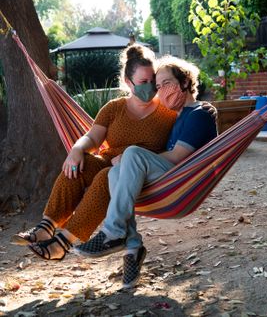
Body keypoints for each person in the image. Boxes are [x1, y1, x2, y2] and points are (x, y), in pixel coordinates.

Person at [12, 44, 177, 260]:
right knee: (79, 166)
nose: (149, 87)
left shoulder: (167, 112)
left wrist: (129, 159)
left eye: (151, 81)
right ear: (128, 82)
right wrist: (77, 149)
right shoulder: (113, 108)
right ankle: (46, 226)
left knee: (104, 177)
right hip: (109, 161)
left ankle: (63, 243)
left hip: (139, 171)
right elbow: (92, 138)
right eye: (142, 82)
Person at [74, 56, 217, 288]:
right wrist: (128, 162)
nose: (161, 91)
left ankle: (113, 232)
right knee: (113, 174)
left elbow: (178, 156)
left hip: (182, 178)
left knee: (131, 154)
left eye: (167, 83)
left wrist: (132, 158)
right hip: (168, 177)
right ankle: (132, 248)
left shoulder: (199, 113)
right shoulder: (180, 115)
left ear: (184, 82)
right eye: (158, 87)